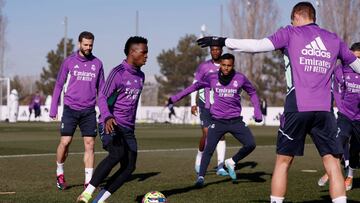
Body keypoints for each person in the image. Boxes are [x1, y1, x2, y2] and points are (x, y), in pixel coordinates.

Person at [197, 2, 360, 203]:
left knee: (283, 162)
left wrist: (223, 40)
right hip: (325, 111)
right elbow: (358, 67)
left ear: (297, 16)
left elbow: (256, 46)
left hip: (297, 108)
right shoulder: (334, 39)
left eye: (292, 19)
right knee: (333, 164)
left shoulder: (291, 33)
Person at [169, 53, 262, 187]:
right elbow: (194, 87)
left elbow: (252, 92)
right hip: (218, 121)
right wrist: (176, 98)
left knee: (251, 144)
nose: (226, 68)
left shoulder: (240, 78)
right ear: (220, 65)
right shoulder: (211, 77)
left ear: (233, 65)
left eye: (229, 65)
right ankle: (200, 178)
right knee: (208, 150)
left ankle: (231, 161)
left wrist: (257, 111)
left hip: (235, 121)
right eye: (223, 65)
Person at [76, 36, 148, 203]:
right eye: (143, 52)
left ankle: (99, 200)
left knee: (129, 167)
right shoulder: (118, 72)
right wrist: (107, 116)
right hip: (110, 124)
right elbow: (101, 97)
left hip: (128, 129)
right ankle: (87, 194)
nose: (146, 56)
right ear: (132, 52)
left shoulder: (141, 76)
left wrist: (131, 127)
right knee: (117, 153)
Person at [50, 31, 105, 190]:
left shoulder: (98, 63)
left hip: (89, 110)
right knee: (65, 142)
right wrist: (54, 107)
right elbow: (59, 84)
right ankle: (59, 172)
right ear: (79, 44)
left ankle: (89, 181)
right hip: (70, 108)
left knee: (90, 144)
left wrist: (103, 110)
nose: (88, 47)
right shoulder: (69, 61)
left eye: (90, 45)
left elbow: (101, 89)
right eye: (85, 44)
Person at [318, 42, 360, 191]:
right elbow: (337, 91)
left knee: (355, 149)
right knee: (339, 139)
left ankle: (350, 176)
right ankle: (331, 171)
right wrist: (342, 110)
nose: (357, 62)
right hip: (345, 115)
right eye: (355, 58)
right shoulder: (339, 70)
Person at [190, 44, 228, 176]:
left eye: (217, 49)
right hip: (204, 104)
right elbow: (195, 85)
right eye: (213, 49)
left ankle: (220, 166)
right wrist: (193, 103)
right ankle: (200, 157)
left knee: (221, 135)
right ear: (210, 51)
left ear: (221, 51)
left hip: (220, 105)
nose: (215, 51)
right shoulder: (203, 67)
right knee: (207, 135)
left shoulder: (226, 66)